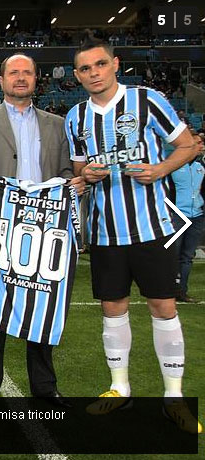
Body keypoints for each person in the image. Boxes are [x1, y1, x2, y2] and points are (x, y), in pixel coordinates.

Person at [65, 38, 201, 433]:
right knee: (113, 310)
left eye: (100, 64)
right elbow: (80, 171)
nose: (94, 73)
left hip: (151, 227)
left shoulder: (147, 100)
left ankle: (173, 397)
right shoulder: (76, 117)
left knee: (164, 307)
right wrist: (87, 175)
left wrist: (160, 169)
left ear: (115, 64)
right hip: (106, 233)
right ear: (77, 76)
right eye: (85, 69)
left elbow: (187, 146)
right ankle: (119, 388)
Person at [0, 53, 84, 408]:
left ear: (36, 79)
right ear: (1, 80)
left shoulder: (57, 124)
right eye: (14, 72)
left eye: (27, 72)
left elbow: (67, 173)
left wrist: (76, 184)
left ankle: (45, 387)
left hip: (43, 235)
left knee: (43, 308)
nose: (21, 78)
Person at [171, 133, 204, 303]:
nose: (201, 146)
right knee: (171, 254)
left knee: (187, 256)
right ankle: (168, 290)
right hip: (177, 215)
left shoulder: (201, 167)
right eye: (198, 143)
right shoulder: (174, 166)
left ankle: (181, 291)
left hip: (196, 216)